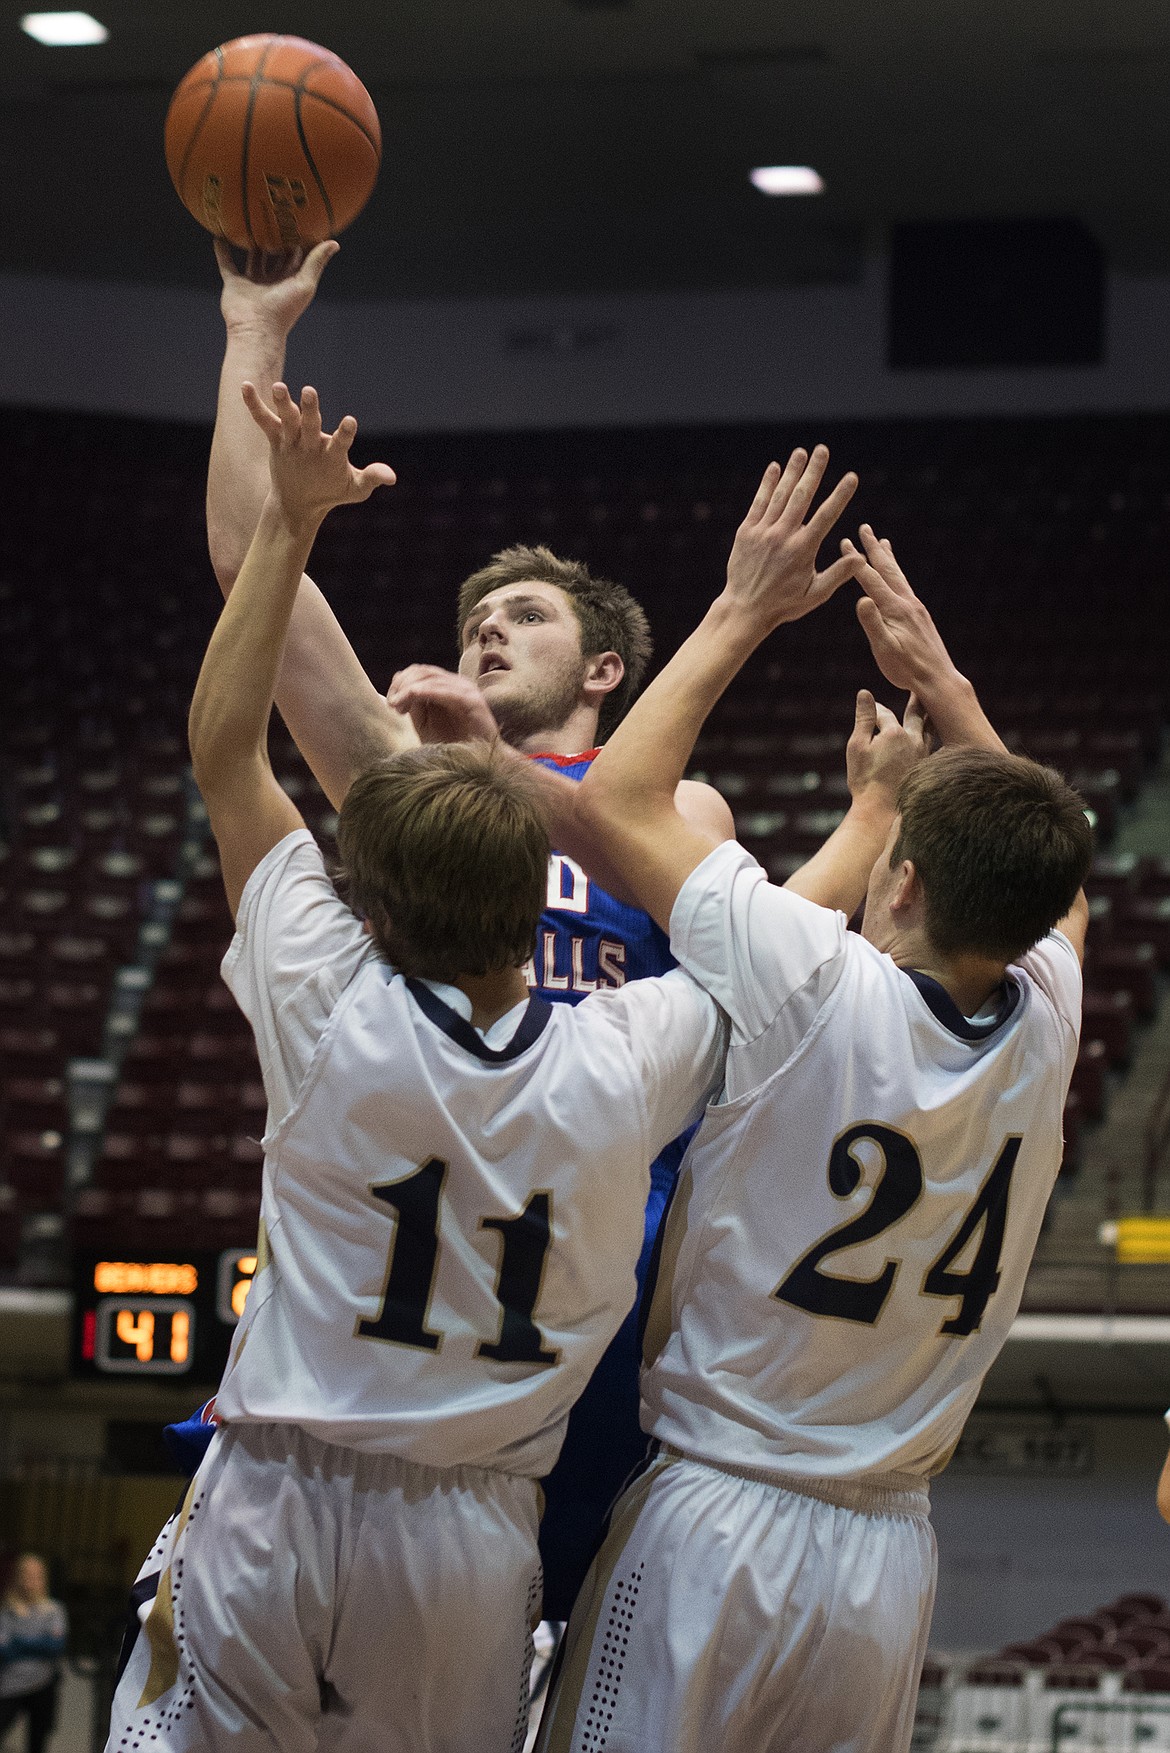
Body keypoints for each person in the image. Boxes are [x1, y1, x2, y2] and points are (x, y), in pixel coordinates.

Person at [106, 380, 728, 1753]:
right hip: (436, 1340)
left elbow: (229, 755)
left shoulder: (666, 807)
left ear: (610, 672)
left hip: (593, 1337)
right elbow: (247, 579)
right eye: (471, 621)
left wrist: (471, 760)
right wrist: (250, 338)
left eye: (525, 617)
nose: (485, 630)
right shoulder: (413, 778)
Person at [510, 451, 1093, 1753]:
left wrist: (744, 605)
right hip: (888, 1562)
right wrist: (945, 689)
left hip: (716, 1522)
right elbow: (1058, 883)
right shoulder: (1049, 1024)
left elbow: (615, 799)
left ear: (896, 885)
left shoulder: (810, 977)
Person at [0, 1554, 67, 1753]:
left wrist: (19, 1641)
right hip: (10, 1684)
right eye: (27, 1575)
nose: (31, 1581)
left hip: (43, 1684)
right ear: (18, 1577)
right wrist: (39, 1644)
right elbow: (4, 1650)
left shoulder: (53, 1610)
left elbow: (55, 1647)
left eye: (37, 1576)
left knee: (38, 1742)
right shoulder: (7, 1610)